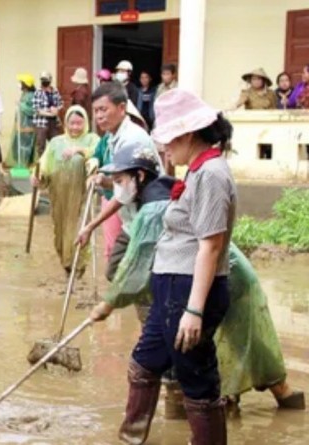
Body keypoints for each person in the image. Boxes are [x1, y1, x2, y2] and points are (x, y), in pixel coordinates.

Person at [89, 145, 305, 417]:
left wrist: (107, 305)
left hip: (221, 277)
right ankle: (282, 399)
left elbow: (134, 269)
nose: (117, 188)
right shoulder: (164, 191)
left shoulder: (154, 209)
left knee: (229, 343)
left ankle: (268, 398)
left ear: (140, 177)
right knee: (237, 340)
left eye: (120, 181)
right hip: (219, 273)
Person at [109, 89, 236, 444]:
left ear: (188, 134)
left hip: (189, 291)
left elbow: (210, 246)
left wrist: (194, 310)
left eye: (168, 141)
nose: (164, 149)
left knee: (195, 376)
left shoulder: (211, 174)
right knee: (144, 363)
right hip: (171, 289)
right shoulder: (196, 172)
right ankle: (129, 439)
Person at [78, 82, 162, 269]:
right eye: (96, 111)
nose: (99, 116)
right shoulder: (110, 138)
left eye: (103, 110)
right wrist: (102, 179)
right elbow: (121, 184)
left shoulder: (132, 139)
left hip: (147, 218)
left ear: (122, 108)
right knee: (116, 270)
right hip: (132, 219)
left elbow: (125, 193)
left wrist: (91, 226)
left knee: (133, 275)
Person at [30, 105, 99, 278]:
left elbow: (98, 155)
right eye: (72, 123)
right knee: (60, 233)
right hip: (59, 195)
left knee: (78, 229)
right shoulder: (56, 142)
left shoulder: (92, 139)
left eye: (79, 124)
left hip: (81, 194)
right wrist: (38, 176)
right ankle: (67, 264)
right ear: (66, 124)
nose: (75, 127)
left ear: (85, 124)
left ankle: (79, 265)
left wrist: (79, 150)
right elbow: (45, 163)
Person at [31, 71, 63, 157]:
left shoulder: (55, 91)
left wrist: (57, 109)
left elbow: (60, 103)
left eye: (46, 79)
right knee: (41, 146)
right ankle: (41, 166)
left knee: (56, 144)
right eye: (42, 79)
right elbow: (37, 109)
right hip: (41, 123)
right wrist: (50, 113)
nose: (44, 81)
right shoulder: (38, 92)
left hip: (53, 122)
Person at [11, 74, 38, 166]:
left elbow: (33, 110)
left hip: (28, 126)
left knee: (26, 147)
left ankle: (25, 165)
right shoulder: (24, 94)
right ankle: (21, 164)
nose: (19, 84)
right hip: (21, 125)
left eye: (21, 82)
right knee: (17, 146)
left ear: (25, 84)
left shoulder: (32, 95)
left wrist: (20, 105)